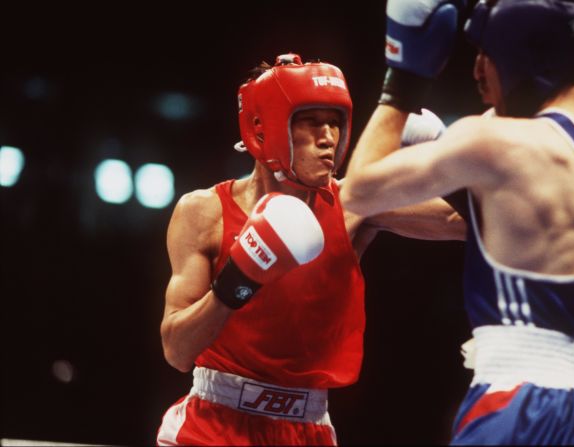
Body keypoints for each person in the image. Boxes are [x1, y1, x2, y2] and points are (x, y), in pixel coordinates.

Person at [340, 0, 574, 444]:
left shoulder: (494, 142)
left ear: (523, 53)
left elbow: (358, 190)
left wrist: (403, 80)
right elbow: (516, 242)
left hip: (515, 404)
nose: (478, 71)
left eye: (487, 53)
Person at [156, 53, 463, 446]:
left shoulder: (352, 205)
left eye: (335, 122)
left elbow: (470, 225)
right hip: (213, 425)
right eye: (311, 121)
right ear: (262, 128)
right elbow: (177, 350)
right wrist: (239, 279)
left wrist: (447, 154)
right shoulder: (204, 212)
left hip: (308, 429)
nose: (329, 138)